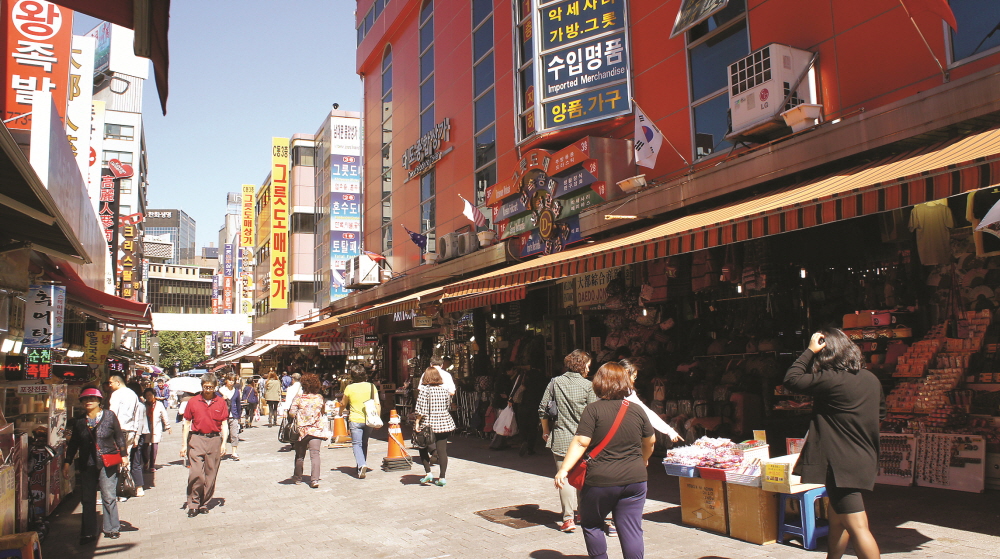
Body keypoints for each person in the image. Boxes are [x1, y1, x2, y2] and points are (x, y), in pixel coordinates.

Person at [784, 330, 885, 559]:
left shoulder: (830, 379)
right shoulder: (871, 379)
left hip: (840, 463)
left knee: (858, 527)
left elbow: (792, 379)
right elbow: (880, 414)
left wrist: (810, 350)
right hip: (863, 456)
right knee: (838, 518)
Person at [555, 362, 655, 559]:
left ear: (599, 383)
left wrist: (564, 469)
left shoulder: (593, 410)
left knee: (592, 524)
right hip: (635, 479)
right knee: (631, 529)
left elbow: (581, 442)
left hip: (600, 480)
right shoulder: (637, 410)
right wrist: (643, 460)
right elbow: (650, 442)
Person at [539, 349, 598, 532]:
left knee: (563, 476)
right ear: (582, 365)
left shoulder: (555, 382)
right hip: (584, 440)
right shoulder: (589, 386)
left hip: (561, 438)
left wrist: (546, 430)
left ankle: (568, 519)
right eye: (588, 365)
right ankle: (582, 513)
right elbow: (595, 413)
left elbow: (542, 409)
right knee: (582, 476)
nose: (589, 368)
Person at [63, 388, 127, 544]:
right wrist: (67, 462)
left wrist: (124, 454)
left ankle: (112, 528)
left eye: (92, 398)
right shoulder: (79, 421)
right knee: (87, 498)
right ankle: (88, 532)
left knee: (108, 496)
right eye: (85, 399)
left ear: (99, 401)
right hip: (87, 463)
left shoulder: (109, 416)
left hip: (107, 461)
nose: (88, 401)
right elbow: (74, 443)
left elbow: (119, 436)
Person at [180, 373, 229, 517]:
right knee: (196, 474)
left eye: (211, 387)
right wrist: (184, 444)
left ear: (215, 387)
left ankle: (204, 503)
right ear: (202, 386)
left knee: (210, 474)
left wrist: (224, 443)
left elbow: (224, 424)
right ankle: (193, 503)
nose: (208, 390)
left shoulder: (221, 402)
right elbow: (186, 423)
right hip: (197, 439)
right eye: (206, 387)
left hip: (214, 440)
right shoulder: (193, 402)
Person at [414, 367, 456, 487]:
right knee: (442, 450)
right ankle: (442, 477)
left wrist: (417, 422)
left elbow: (420, 410)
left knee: (422, 447)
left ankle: (428, 472)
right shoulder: (444, 390)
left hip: (428, 423)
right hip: (444, 422)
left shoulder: (424, 391)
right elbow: (447, 406)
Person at [108, 372, 147, 497]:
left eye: (111, 382)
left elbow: (112, 414)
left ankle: (117, 488)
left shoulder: (116, 394)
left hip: (118, 430)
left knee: (115, 459)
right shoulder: (133, 395)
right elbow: (137, 416)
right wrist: (136, 434)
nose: (109, 385)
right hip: (130, 431)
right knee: (126, 459)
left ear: (118, 382)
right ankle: (125, 487)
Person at [341, 364, 381, 478]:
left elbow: (343, 403)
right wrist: (377, 418)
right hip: (369, 419)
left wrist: (339, 412)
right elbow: (377, 404)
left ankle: (362, 464)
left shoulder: (349, 388)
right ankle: (361, 465)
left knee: (356, 444)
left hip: (355, 420)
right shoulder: (371, 386)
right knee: (364, 443)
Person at [288, 373, 327, 488]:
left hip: (302, 430)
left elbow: (291, 413)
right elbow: (323, 411)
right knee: (315, 455)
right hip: (316, 430)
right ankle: (314, 480)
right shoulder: (319, 398)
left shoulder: (299, 398)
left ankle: (298, 477)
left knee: (300, 455)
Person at [142, 388, 171, 472]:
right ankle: (145, 462)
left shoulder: (159, 404)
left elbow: (164, 415)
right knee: (144, 447)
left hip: (156, 427)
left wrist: (168, 426)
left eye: (150, 395)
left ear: (154, 395)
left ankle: (152, 465)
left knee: (154, 447)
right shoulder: (143, 405)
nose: (149, 397)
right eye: (147, 395)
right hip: (146, 428)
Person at [218, 374, 242, 461]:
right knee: (222, 435)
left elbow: (238, 404)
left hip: (233, 415)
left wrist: (239, 416)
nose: (231, 382)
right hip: (222, 416)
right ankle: (221, 451)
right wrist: (222, 398)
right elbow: (215, 402)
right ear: (226, 380)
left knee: (234, 434)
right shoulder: (220, 391)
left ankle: (234, 452)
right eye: (230, 380)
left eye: (233, 380)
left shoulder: (236, 391)